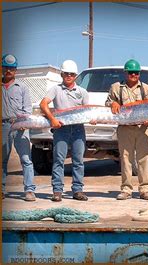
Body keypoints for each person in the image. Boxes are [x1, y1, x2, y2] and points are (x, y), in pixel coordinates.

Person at [105, 59, 148, 200]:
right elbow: (107, 102)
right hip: (125, 128)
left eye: (136, 72)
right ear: (125, 73)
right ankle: (126, 189)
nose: (134, 75)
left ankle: (145, 189)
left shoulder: (146, 89)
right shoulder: (116, 87)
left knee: (143, 159)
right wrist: (112, 102)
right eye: (131, 72)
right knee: (126, 159)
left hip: (142, 128)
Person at [40, 60, 89, 202]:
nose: (69, 76)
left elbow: (87, 111)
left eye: (72, 74)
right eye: (66, 73)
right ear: (62, 74)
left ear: (75, 76)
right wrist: (52, 119)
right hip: (61, 129)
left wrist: (92, 119)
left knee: (78, 160)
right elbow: (44, 104)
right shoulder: (55, 89)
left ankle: (78, 190)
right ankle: (57, 191)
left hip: (78, 129)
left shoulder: (82, 92)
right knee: (58, 160)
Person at [2, 54, 36, 201]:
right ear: (2, 68)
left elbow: (28, 109)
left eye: (12, 69)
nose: (9, 71)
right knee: (2, 160)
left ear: (16, 70)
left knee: (26, 159)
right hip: (3, 126)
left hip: (21, 126)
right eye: (6, 68)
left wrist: (24, 123)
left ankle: (29, 191)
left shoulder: (22, 87)